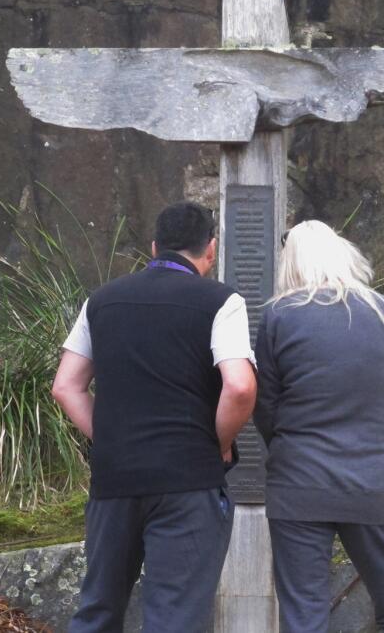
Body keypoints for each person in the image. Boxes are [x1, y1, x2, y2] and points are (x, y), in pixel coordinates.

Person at [51, 201, 258, 633]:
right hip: (188, 483)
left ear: (153, 246)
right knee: (174, 619)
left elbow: (66, 386)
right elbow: (239, 386)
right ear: (211, 249)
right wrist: (216, 443)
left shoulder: (101, 301)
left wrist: (108, 439)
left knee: (97, 612)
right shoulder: (222, 301)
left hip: (115, 483)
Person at [253, 220, 384, 633]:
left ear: (289, 263)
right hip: (372, 479)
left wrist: (289, 447)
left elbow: (265, 408)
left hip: (298, 484)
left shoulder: (278, 315)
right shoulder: (381, 309)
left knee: (304, 611)